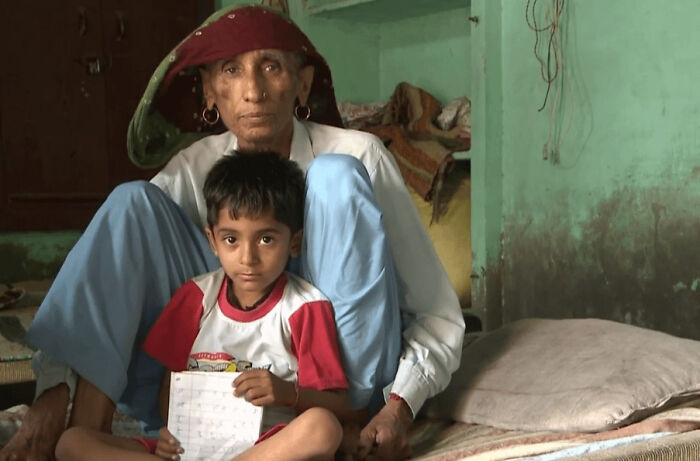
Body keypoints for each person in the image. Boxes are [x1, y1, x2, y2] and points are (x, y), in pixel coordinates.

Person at [1, 5, 465, 461]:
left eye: (270, 67)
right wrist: (51, 392)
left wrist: (398, 410)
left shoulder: (358, 156)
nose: (253, 91)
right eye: (231, 70)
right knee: (131, 202)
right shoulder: (197, 167)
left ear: (302, 84)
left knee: (334, 176)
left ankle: (347, 427)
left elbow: (436, 314)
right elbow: (111, 272)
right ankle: (86, 427)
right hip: (217, 395)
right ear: (209, 92)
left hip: (334, 396)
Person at [54, 151, 353, 461]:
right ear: (212, 241)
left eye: (266, 239)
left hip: (266, 449)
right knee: (71, 442)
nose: (247, 257)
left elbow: (341, 406)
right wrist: (172, 432)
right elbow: (171, 385)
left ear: (294, 242)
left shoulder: (304, 308)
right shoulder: (195, 296)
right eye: (231, 240)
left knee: (323, 428)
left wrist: (287, 393)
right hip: (193, 448)